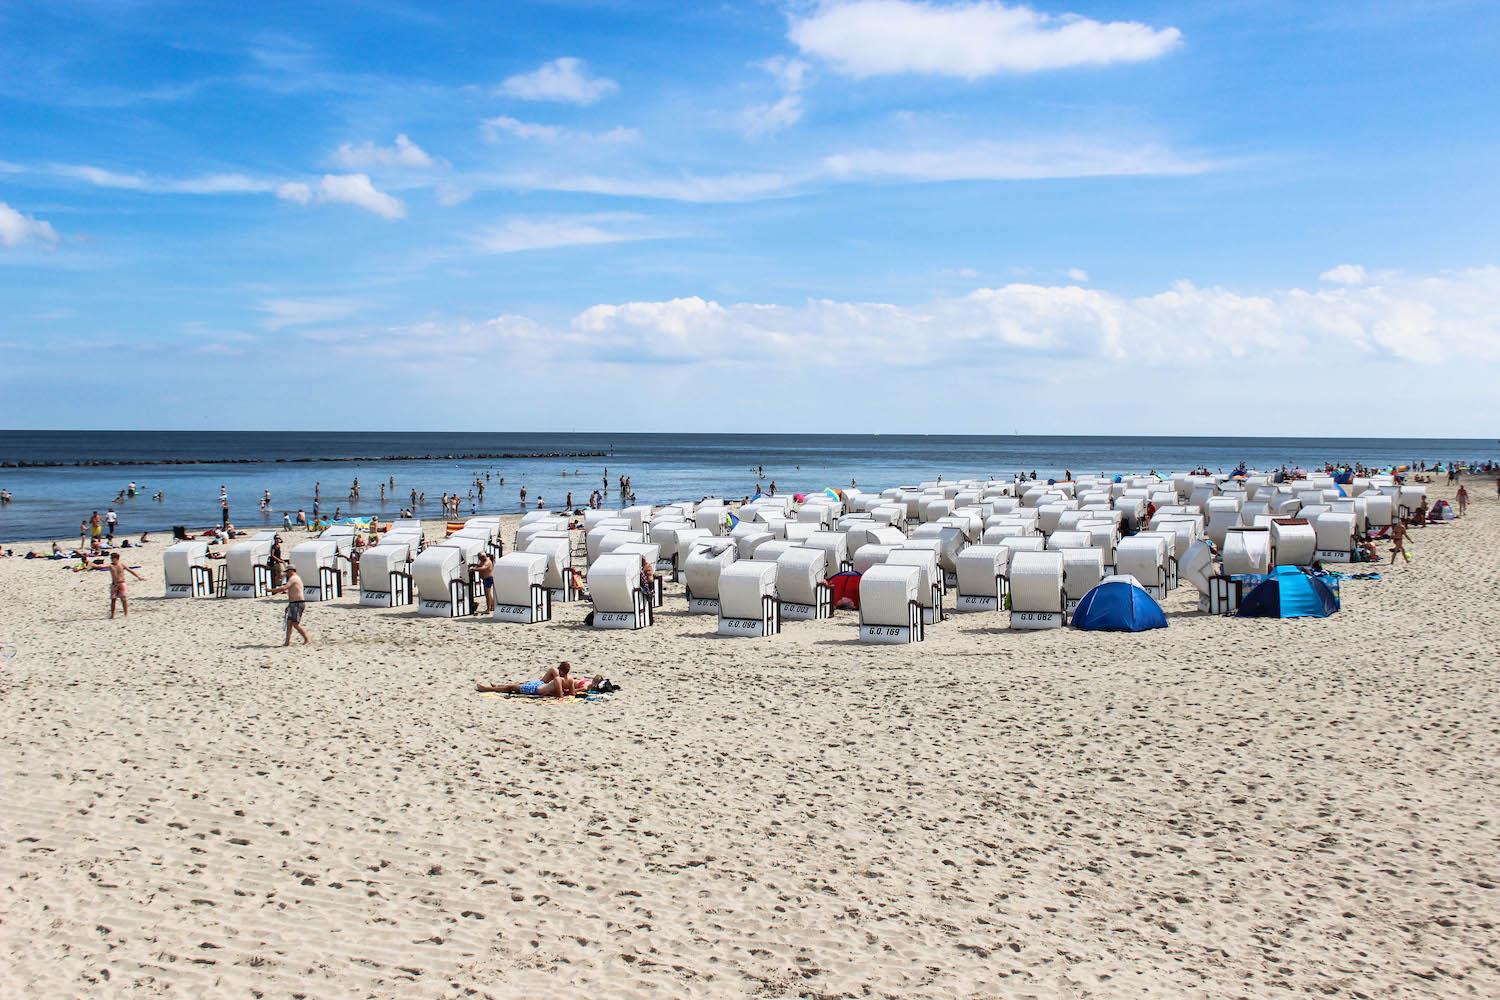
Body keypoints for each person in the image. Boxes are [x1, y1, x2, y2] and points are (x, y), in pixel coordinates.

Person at [477, 661, 601, 699]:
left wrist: (549, 692)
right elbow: (572, 694)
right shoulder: (570, 679)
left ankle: (487, 689)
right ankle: (496, 686)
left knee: (512, 688)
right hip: (539, 686)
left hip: (536, 689)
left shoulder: (558, 679)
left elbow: (559, 695)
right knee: (515, 686)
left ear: (561, 671)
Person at [271, 565, 311, 646]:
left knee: (295, 623)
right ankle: (287, 642)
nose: (287, 574)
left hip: (298, 603)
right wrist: (289, 605)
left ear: (291, 571)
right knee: (289, 623)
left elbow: (284, 588)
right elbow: (292, 592)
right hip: (293, 603)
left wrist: (271, 590)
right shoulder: (293, 578)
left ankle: (307, 639)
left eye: (287, 572)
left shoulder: (294, 578)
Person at [106, 552, 145, 619]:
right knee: (113, 599)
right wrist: (92, 564)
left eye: (112, 558)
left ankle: (126, 614)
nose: (111, 559)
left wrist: (138, 577)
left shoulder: (122, 565)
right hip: (114, 584)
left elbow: (130, 571)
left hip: (122, 583)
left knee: (123, 599)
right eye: (111, 558)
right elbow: (101, 566)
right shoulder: (111, 565)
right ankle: (112, 615)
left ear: (116, 558)